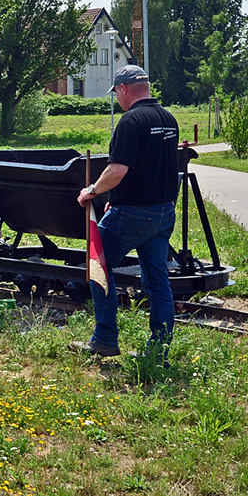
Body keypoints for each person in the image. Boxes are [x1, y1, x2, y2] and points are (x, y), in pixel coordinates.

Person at [72, 65, 180, 361]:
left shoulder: (131, 122)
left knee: (99, 266)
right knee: (158, 281)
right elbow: (153, 166)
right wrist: (116, 198)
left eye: (116, 94)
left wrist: (92, 191)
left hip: (133, 214)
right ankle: (158, 351)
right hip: (162, 214)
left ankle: (105, 338)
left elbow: (118, 169)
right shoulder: (168, 119)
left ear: (123, 89)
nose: (117, 100)